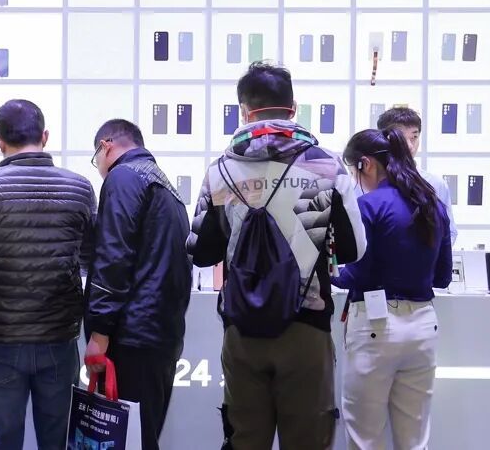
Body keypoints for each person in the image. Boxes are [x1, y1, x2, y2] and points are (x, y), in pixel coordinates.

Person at [188, 62, 367, 449]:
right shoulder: (326, 164)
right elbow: (354, 247)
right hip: (306, 326)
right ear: (293, 108)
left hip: (242, 329)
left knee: (245, 439)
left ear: (244, 111)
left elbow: (201, 252)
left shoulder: (220, 170)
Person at [0, 100, 96, 450]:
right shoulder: (79, 188)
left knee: (1, 439)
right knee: (57, 440)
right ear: (44, 136)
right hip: (59, 337)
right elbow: (92, 262)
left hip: (0, 337)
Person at [335, 128, 453, 450]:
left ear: (366, 164)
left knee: (365, 437)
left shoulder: (368, 206)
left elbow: (357, 274)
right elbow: (443, 277)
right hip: (423, 326)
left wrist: (328, 272)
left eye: (354, 171)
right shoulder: (433, 205)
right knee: (415, 438)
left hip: (375, 327)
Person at [85, 119, 193, 450]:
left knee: (124, 440)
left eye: (96, 159)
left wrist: (99, 333)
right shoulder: (164, 184)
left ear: (106, 146)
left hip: (131, 338)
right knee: (143, 439)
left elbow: (113, 257)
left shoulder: (123, 177)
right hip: (161, 336)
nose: (99, 168)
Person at [376, 107, 459, 246]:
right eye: (401, 138)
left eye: (414, 137)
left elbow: (449, 232)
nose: (409, 146)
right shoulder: (367, 181)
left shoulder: (434, 184)